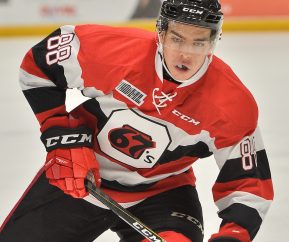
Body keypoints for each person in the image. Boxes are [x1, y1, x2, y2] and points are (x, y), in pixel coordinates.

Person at [0, 0, 274, 241]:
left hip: (162, 195)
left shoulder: (231, 104)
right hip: (80, 179)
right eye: (177, 39)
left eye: (199, 42)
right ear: (161, 33)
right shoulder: (112, 51)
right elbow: (38, 66)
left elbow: (248, 185)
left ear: (213, 42)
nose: (186, 54)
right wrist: (65, 140)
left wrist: (232, 237)